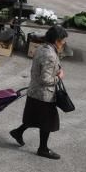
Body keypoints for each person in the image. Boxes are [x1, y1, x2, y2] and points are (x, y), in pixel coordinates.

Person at [10, 24, 68, 160]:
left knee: (34, 117)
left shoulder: (43, 48)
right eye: (63, 40)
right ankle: (43, 149)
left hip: (34, 91)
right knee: (47, 123)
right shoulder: (50, 54)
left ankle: (18, 132)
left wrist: (57, 68)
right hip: (44, 95)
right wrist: (58, 77)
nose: (64, 43)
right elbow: (45, 79)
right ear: (57, 40)